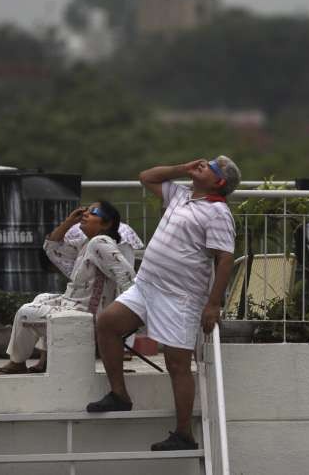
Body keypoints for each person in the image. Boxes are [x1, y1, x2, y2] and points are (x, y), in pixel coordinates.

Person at [87, 156, 241, 452]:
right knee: (107, 322)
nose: (203, 165)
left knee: (177, 362)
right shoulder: (181, 194)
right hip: (147, 285)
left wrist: (213, 305)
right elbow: (147, 176)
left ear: (219, 182)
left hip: (180, 296)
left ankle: (184, 434)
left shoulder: (218, 212)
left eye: (210, 167)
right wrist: (182, 169)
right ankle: (119, 395)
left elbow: (224, 259)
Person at [0, 201, 136, 375]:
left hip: (86, 315)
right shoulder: (86, 243)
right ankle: (43, 360)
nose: (86, 214)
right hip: (72, 305)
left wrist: (126, 316)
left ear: (106, 223)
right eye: (85, 210)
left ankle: (17, 363)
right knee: (41, 298)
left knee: (25, 312)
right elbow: (51, 246)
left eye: (93, 212)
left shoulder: (101, 242)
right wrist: (69, 222)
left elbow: (127, 276)